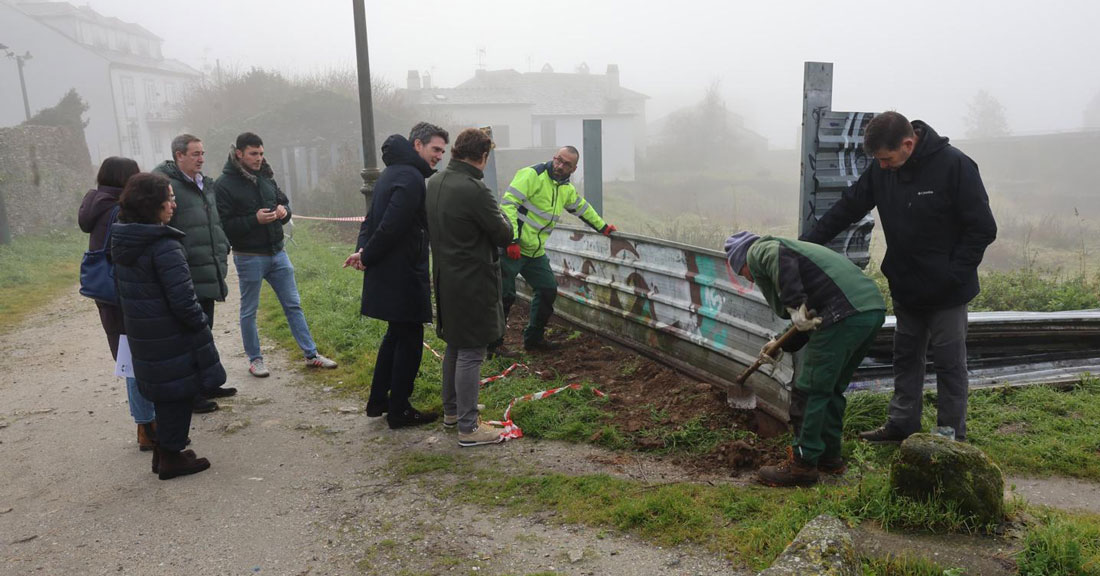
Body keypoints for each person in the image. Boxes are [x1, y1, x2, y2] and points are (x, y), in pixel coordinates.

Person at [800, 111, 997, 443]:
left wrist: (953, 274)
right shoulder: (882, 170)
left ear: (909, 143)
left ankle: (949, 435)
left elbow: (983, 228)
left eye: (887, 159)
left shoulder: (955, 166)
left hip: (947, 292)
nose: (884, 166)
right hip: (906, 286)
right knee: (905, 358)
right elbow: (848, 207)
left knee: (949, 364)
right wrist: (803, 245)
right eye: (879, 160)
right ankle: (902, 424)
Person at [724, 231, 886, 487]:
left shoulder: (759, 250)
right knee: (829, 389)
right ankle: (829, 459)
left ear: (743, 262)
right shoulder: (801, 255)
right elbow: (806, 325)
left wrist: (794, 303)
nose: (750, 279)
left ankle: (802, 464)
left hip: (841, 313)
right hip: (869, 310)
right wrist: (777, 344)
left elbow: (779, 257)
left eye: (743, 274)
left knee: (809, 390)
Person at [111, 173, 224, 479]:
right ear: (153, 204)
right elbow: (184, 301)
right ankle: (172, 458)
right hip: (171, 333)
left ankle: (163, 451)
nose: (174, 204)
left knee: (163, 392)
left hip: (144, 332)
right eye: (170, 198)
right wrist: (199, 324)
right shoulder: (164, 245)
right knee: (178, 392)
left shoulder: (125, 237)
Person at [343, 122, 447, 429]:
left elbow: (370, 221)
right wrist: (367, 255)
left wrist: (363, 251)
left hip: (389, 270)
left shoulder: (391, 173)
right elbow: (391, 224)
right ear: (417, 145)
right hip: (402, 273)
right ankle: (399, 409)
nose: (439, 156)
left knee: (395, 336)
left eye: (442, 151)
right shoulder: (412, 177)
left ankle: (379, 401)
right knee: (410, 341)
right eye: (435, 149)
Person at [215, 132, 337, 378]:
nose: (259, 158)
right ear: (239, 153)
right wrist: (254, 219)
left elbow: (286, 204)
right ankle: (255, 359)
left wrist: (285, 211)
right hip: (249, 256)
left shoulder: (266, 177)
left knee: (294, 305)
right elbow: (224, 226)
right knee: (249, 309)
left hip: (278, 253)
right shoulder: (223, 185)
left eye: (261, 153)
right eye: (253, 154)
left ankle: (311, 355)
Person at [425, 128, 514, 446]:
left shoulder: (434, 182)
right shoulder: (475, 189)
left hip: (447, 277)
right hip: (474, 280)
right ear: (483, 156)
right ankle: (468, 428)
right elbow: (503, 234)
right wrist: (505, 218)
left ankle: (452, 413)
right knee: (473, 351)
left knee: (454, 345)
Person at [496, 146, 616, 353]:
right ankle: (494, 345)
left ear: (574, 168)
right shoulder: (532, 175)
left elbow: (582, 208)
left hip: (535, 252)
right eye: (558, 160)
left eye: (566, 164)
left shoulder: (565, 189)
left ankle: (533, 341)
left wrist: (603, 227)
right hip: (513, 248)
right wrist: (512, 239)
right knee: (504, 295)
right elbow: (508, 205)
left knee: (547, 289)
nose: (559, 165)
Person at [78, 157, 157, 450]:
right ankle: (148, 426)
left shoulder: (96, 206)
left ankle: (144, 425)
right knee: (138, 361)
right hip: (125, 293)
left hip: (106, 296)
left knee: (129, 359)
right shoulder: (119, 211)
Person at [153, 134, 234, 413]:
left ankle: (208, 383)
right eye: (195, 154)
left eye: (203, 153)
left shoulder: (204, 185)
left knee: (204, 332)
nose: (201, 158)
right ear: (179, 155)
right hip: (185, 273)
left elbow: (213, 222)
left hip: (207, 270)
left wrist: (223, 246)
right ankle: (191, 395)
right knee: (189, 337)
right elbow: (163, 229)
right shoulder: (165, 187)